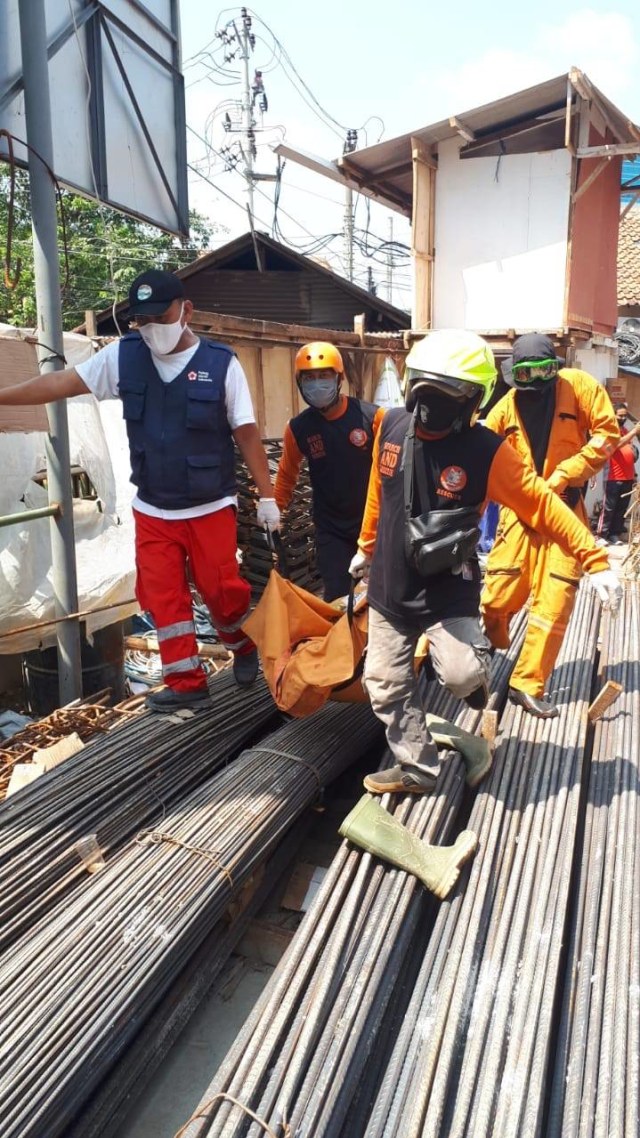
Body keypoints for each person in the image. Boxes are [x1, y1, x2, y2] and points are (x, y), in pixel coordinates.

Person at [348, 330, 621, 796]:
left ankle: (475, 677)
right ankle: (418, 768)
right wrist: (366, 545)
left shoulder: (487, 452)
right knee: (384, 685)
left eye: (443, 393)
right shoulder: (389, 426)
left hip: (447, 588)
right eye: (423, 388)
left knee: (461, 674)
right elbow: (380, 489)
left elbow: (542, 504)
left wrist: (595, 560)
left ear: (471, 399)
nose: (428, 406)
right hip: (390, 588)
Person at [0, 269, 281, 712]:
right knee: (162, 596)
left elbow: (246, 433)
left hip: (210, 506)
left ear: (186, 310)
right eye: (140, 320)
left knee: (222, 591)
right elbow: (60, 383)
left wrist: (267, 497)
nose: (150, 328)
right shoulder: (122, 358)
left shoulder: (221, 364)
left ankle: (241, 644)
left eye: (159, 316)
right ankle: (187, 683)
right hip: (153, 509)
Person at [481, 333, 620, 717]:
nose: (535, 381)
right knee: (498, 595)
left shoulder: (580, 388)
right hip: (519, 517)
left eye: (543, 370)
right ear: (513, 375)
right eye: (525, 373)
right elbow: (477, 453)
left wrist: (566, 472)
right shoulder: (504, 409)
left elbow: (607, 435)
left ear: (555, 367)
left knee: (554, 601)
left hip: (564, 510)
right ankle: (487, 646)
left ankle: (527, 683)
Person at [274, 342, 384, 601]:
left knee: (379, 597)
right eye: (309, 378)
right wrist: (274, 509)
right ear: (299, 383)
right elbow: (286, 475)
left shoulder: (373, 418)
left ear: (340, 378)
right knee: (337, 596)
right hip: (331, 530)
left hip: (375, 525)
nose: (317, 383)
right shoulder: (298, 429)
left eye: (324, 375)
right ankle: (343, 642)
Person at [596, 401, 639, 544]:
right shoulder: (609, 431)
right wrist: (634, 432)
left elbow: (630, 450)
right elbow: (615, 446)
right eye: (620, 415)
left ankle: (614, 534)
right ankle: (601, 535)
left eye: (625, 415)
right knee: (609, 508)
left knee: (621, 508)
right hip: (613, 476)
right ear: (613, 416)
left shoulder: (626, 431)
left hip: (627, 476)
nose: (623, 418)